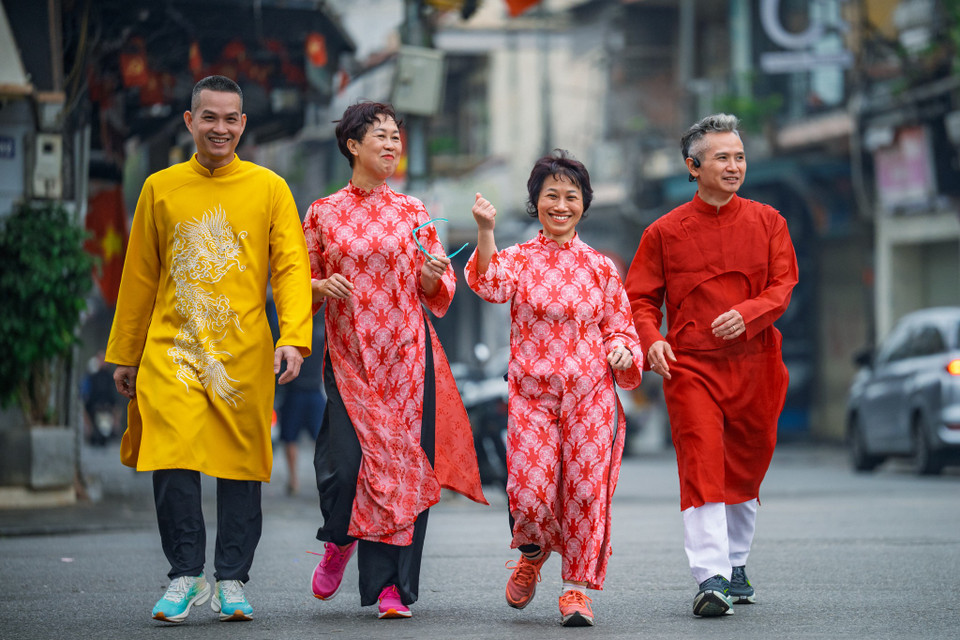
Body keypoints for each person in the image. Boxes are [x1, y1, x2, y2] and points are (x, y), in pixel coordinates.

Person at [106, 75, 313, 624]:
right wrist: (125, 354)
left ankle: (231, 579)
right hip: (172, 350)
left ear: (242, 124)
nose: (219, 128)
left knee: (241, 467)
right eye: (210, 117)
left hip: (244, 351)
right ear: (190, 121)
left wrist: (294, 336)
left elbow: (292, 267)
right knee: (171, 456)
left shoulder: (270, 188)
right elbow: (140, 276)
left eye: (230, 118)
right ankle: (184, 572)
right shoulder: (160, 187)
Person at [302, 101, 486, 620]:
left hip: (408, 359)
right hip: (350, 357)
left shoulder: (413, 211)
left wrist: (431, 275)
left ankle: (391, 589)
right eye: (379, 136)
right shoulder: (322, 212)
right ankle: (339, 539)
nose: (391, 145)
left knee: (404, 469)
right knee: (345, 467)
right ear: (352, 145)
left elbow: (441, 287)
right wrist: (320, 284)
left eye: (396, 137)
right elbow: (298, 284)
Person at [625, 113, 798, 617]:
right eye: (722, 157)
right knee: (701, 462)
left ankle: (736, 562)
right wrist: (651, 339)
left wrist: (748, 315)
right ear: (692, 166)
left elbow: (783, 286)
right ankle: (711, 576)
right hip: (692, 365)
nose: (733, 165)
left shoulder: (769, 222)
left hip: (756, 362)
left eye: (739, 156)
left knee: (746, 463)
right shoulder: (663, 232)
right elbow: (638, 299)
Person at [465, 150, 642, 627]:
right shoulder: (519, 259)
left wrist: (624, 351)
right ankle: (533, 554)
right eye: (551, 196)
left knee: (585, 492)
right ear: (535, 202)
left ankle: (576, 590)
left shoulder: (602, 268)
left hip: (591, 397)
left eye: (571, 196)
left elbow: (622, 329)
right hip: (530, 398)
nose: (561, 205)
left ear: (584, 204)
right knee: (530, 493)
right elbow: (489, 284)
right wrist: (485, 230)